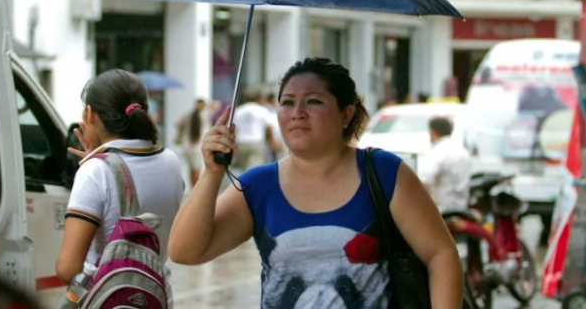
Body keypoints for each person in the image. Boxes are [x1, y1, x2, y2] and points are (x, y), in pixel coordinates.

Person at [168, 57, 464, 308]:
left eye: (313, 101)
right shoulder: (259, 186)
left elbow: (441, 255)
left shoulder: (385, 173)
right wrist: (211, 174)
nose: (297, 113)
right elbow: (185, 251)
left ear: (346, 114)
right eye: (287, 102)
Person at [56, 69, 184, 309]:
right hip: (157, 296)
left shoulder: (95, 172)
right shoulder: (172, 161)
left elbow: (67, 269)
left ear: (90, 114)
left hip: (111, 299)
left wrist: (96, 167)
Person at [419, 116, 472, 212]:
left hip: (441, 212)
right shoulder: (462, 151)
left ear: (432, 133)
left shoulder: (437, 152)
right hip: (462, 210)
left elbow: (424, 182)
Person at [175, 98, 220, 187]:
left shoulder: (188, 115)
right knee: (196, 170)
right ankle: (195, 190)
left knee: (191, 170)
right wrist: (207, 105)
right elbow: (217, 105)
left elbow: (178, 123)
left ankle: (193, 189)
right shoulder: (204, 115)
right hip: (197, 148)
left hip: (186, 147)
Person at [232, 90, 280, 170]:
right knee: (254, 170)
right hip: (256, 143)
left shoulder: (239, 110)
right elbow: (269, 127)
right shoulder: (262, 110)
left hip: (241, 143)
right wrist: (272, 142)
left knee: (243, 170)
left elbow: (234, 128)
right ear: (259, 99)